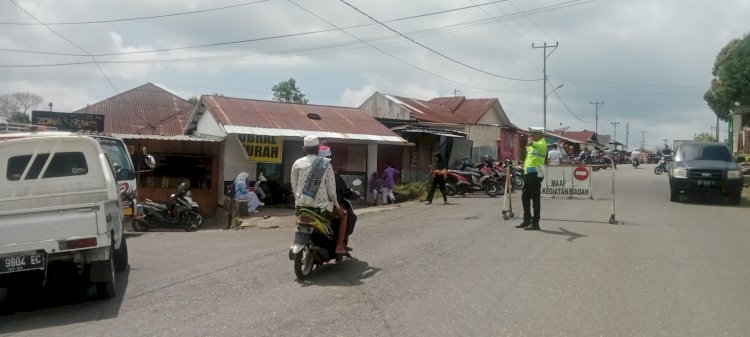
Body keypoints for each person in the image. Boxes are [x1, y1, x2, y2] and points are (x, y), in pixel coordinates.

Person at [290, 137, 348, 256]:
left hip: (302, 206)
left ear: (304, 149)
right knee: (344, 216)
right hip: (321, 208)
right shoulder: (325, 163)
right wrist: (337, 206)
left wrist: (298, 202)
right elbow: (331, 191)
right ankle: (340, 245)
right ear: (318, 149)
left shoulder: (297, 163)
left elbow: (294, 186)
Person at [516, 127, 547, 230]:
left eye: (532, 134)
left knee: (535, 198)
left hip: (536, 173)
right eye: (530, 135)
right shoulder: (532, 144)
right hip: (528, 173)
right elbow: (527, 155)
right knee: (525, 196)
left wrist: (530, 142)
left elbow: (535, 145)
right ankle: (526, 220)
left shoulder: (542, 143)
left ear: (539, 134)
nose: (531, 136)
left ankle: (535, 223)